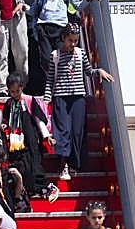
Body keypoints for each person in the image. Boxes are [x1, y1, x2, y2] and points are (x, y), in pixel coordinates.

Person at [45, 24, 113, 182]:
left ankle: (75, 161)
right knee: (63, 131)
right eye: (70, 40)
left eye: (75, 41)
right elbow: (50, 80)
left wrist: (99, 71)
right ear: (63, 38)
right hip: (61, 97)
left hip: (78, 98)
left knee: (77, 131)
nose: (73, 44)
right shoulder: (55, 55)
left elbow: (88, 71)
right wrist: (47, 97)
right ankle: (63, 163)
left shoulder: (80, 53)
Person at [28, 0, 90, 86]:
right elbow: (35, 8)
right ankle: (51, 84)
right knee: (46, 59)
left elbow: (77, 6)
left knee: (63, 57)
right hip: (43, 27)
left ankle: (63, 84)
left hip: (61, 28)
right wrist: (24, 8)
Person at [2, 74, 58, 202]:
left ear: (22, 87)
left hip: (30, 139)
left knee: (34, 164)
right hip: (16, 141)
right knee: (21, 166)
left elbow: (39, 120)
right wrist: (4, 125)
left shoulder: (29, 100)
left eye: (17, 90)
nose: (15, 94)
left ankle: (47, 187)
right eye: (12, 91)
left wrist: (46, 136)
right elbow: (6, 119)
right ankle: (30, 189)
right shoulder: (9, 103)